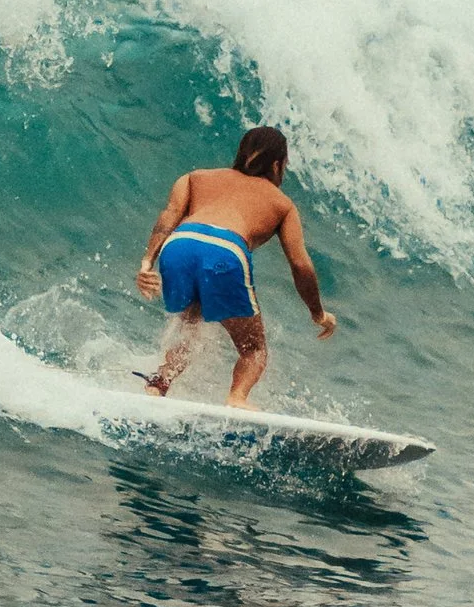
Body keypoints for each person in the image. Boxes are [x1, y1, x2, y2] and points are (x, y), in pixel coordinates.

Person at [136, 126, 336, 406]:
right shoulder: (282, 204)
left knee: (192, 319)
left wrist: (147, 263)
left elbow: (168, 218)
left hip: (179, 244)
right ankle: (237, 398)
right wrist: (318, 313)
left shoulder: (195, 178)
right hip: (226, 250)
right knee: (253, 349)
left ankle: (159, 383)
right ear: (278, 164)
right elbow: (300, 265)